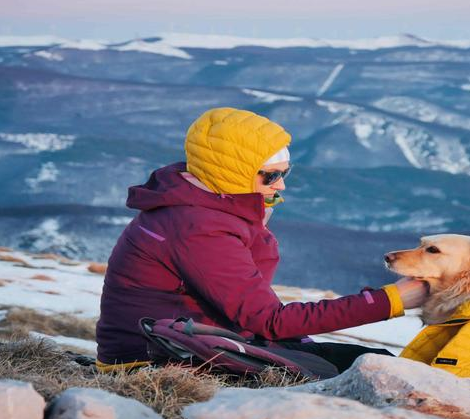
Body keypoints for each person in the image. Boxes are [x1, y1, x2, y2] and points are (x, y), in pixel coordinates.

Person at [95, 107, 429, 372]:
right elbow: (269, 321)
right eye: (270, 175)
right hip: (160, 359)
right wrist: (393, 299)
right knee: (369, 371)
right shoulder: (200, 227)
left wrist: (255, 217)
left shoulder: (201, 206)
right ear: (232, 173)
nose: (281, 185)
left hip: (185, 343)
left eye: (285, 172)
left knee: (369, 360)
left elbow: (251, 304)